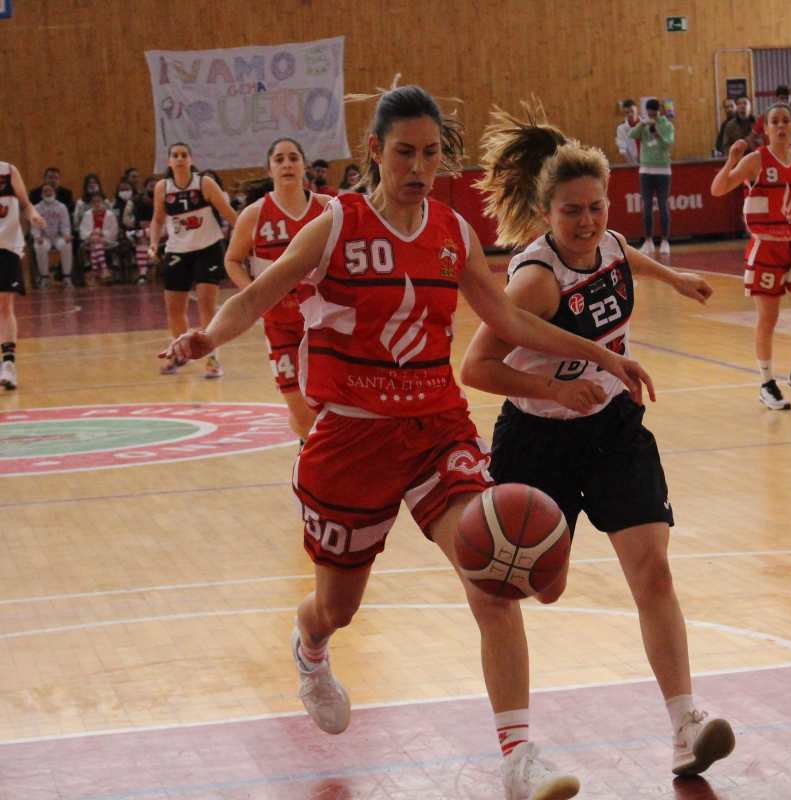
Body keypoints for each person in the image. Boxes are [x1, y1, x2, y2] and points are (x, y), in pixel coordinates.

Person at [161, 82, 653, 800]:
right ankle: (312, 647)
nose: (418, 166)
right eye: (404, 152)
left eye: (429, 153)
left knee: (492, 577)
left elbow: (510, 324)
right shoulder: (335, 225)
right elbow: (261, 293)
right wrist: (207, 334)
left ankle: (519, 753)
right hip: (351, 442)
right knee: (338, 606)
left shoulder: (451, 232)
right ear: (374, 152)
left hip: (435, 431)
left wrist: (605, 355)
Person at [462, 101, 734, 792]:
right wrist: (554, 390)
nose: (586, 222)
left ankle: (685, 725)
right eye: (571, 212)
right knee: (535, 589)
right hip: (537, 442)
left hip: (613, 430)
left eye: (596, 207)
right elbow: (476, 367)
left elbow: (623, 255)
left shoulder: (608, 244)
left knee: (654, 572)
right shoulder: (534, 279)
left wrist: (674, 277)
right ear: (545, 213)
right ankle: (519, 749)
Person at [710, 103, 791, 410]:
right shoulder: (756, 160)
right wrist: (731, 161)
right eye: (774, 121)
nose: (781, 126)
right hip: (766, 245)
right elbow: (717, 189)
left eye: (785, 121)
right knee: (769, 318)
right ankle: (767, 382)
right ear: (766, 129)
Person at [223, 138, 329, 441]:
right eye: (279, 159)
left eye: (293, 158)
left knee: (327, 402)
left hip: (322, 322)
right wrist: (255, 296)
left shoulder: (325, 209)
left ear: (303, 166)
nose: (286, 164)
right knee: (298, 408)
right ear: (269, 169)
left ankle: (314, 459)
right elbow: (232, 260)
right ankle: (306, 447)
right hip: (280, 324)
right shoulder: (255, 215)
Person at [150, 141, 239, 378]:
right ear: (169, 161)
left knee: (206, 304)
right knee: (174, 307)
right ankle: (181, 354)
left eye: (184, 155)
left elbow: (228, 213)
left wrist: (245, 237)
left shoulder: (204, 183)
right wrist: (152, 242)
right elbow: (158, 219)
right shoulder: (163, 188)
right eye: (175, 155)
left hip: (208, 248)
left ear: (190, 159)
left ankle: (212, 359)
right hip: (177, 251)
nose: (179, 159)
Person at [0, 160, 47, 390]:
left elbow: (26, 204)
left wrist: (33, 215)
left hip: (6, 247)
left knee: (5, 305)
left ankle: (8, 364)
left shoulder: (8, 171)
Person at [628, 98, 675, 256]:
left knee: (663, 205)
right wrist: (642, 124)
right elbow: (632, 134)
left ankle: (665, 241)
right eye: (649, 113)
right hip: (646, 170)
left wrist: (657, 131)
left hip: (663, 171)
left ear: (659, 112)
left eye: (654, 113)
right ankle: (648, 241)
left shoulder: (666, 125)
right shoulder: (644, 124)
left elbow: (668, 143)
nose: (651, 115)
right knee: (646, 206)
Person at [32, 183, 73, 288]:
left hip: (58, 236)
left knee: (66, 244)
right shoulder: (36, 208)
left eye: (50, 190)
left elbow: (65, 224)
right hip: (44, 237)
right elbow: (35, 226)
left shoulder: (61, 207)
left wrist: (66, 235)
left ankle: (66, 277)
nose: (48, 193)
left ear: (54, 192)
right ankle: (44, 278)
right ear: (42, 194)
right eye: (45, 191)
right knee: (39, 246)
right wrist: (37, 237)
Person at [78, 191, 120, 283]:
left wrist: (102, 234)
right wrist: (91, 235)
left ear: (103, 202)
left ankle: (95, 269)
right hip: (91, 240)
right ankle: (104, 268)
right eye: (94, 202)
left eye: (99, 201)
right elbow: (83, 230)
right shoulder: (87, 214)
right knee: (96, 242)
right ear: (91, 203)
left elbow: (114, 230)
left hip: (107, 240)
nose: (97, 204)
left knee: (97, 243)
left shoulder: (110, 214)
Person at [615, 99, 640, 165]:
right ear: (624, 113)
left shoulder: (645, 124)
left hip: (649, 161)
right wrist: (631, 165)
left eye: (632, 111)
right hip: (633, 162)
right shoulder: (621, 129)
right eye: (627, 112)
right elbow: (623, 150)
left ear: (637, 110)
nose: (630, 114)